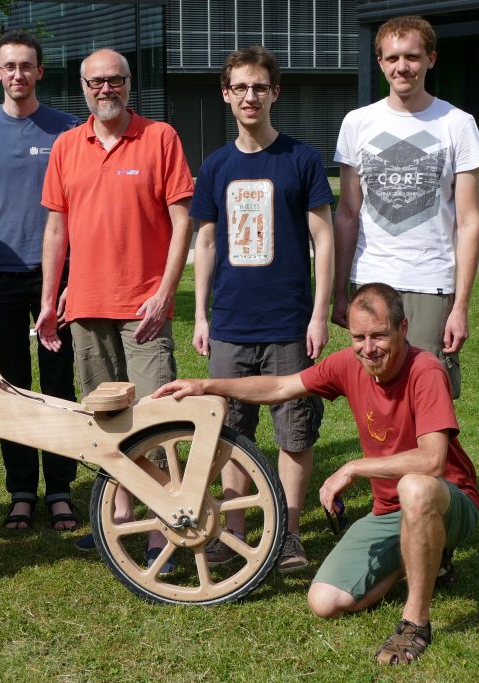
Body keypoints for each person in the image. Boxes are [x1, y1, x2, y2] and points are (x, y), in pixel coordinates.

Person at [154, 282, 479, 665]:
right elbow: (279, 385)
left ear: (403, 328)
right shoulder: (347, 363)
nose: (368, 348)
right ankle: (424, 557)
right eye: (359, 337)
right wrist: (207, 384)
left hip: (447, 500)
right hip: (392, 510)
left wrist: (354, 466)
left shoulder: (426, 371)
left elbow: (432, 461)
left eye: (379, 336)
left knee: (416, 487)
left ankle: (415, 623)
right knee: (324, 601)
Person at [35, 48, 194, 570]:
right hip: (86, 305)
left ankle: (165, 525)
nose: (106, 90)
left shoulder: (160, 138)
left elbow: (181, 222)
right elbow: (56, 230)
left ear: (130, 84)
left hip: (143, 306)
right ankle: (119, 519)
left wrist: (167, 291)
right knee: (104, 420)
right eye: (96, 82)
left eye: (115, 81)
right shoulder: (65, 146)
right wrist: (47, 301)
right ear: (82, 87)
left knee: (155, 420)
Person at [189, 46, 335, 572]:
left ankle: (291, 533)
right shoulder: (215, 166)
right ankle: (234, 530)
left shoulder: (302, 159)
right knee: (231, 432)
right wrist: (202, 315)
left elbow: (323, 239)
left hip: (288, 324)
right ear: (227, 96)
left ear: (275, 93)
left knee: (294, 430)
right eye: (240, 88)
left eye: (259, 87)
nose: (250, 96)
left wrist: (319, 315)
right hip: (230, 324)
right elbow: (205, 244)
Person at [0, 31, 81, 532]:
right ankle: (22, 493)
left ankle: (62, 491)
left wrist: (77, 277)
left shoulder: (68, 128)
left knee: (59, 385)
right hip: (0, 278)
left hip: (59, 277)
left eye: (27, 66)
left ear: (39, 72)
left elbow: (81, 210)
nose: (18, 74)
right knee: (12, 386)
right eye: (10, 66)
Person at [331, 15, 479, 399]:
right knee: (376, 395)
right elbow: (348, 213)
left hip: (430, 282)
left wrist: (460, 306)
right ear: (380, 62)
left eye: (413, 57)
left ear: (431, 59)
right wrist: (338, 291)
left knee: (429, 392)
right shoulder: (357, 123)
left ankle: (435, 462)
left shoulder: (457, 123)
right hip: (371, 276)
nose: (403, 67)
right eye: (393, 58)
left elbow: (469, 221)